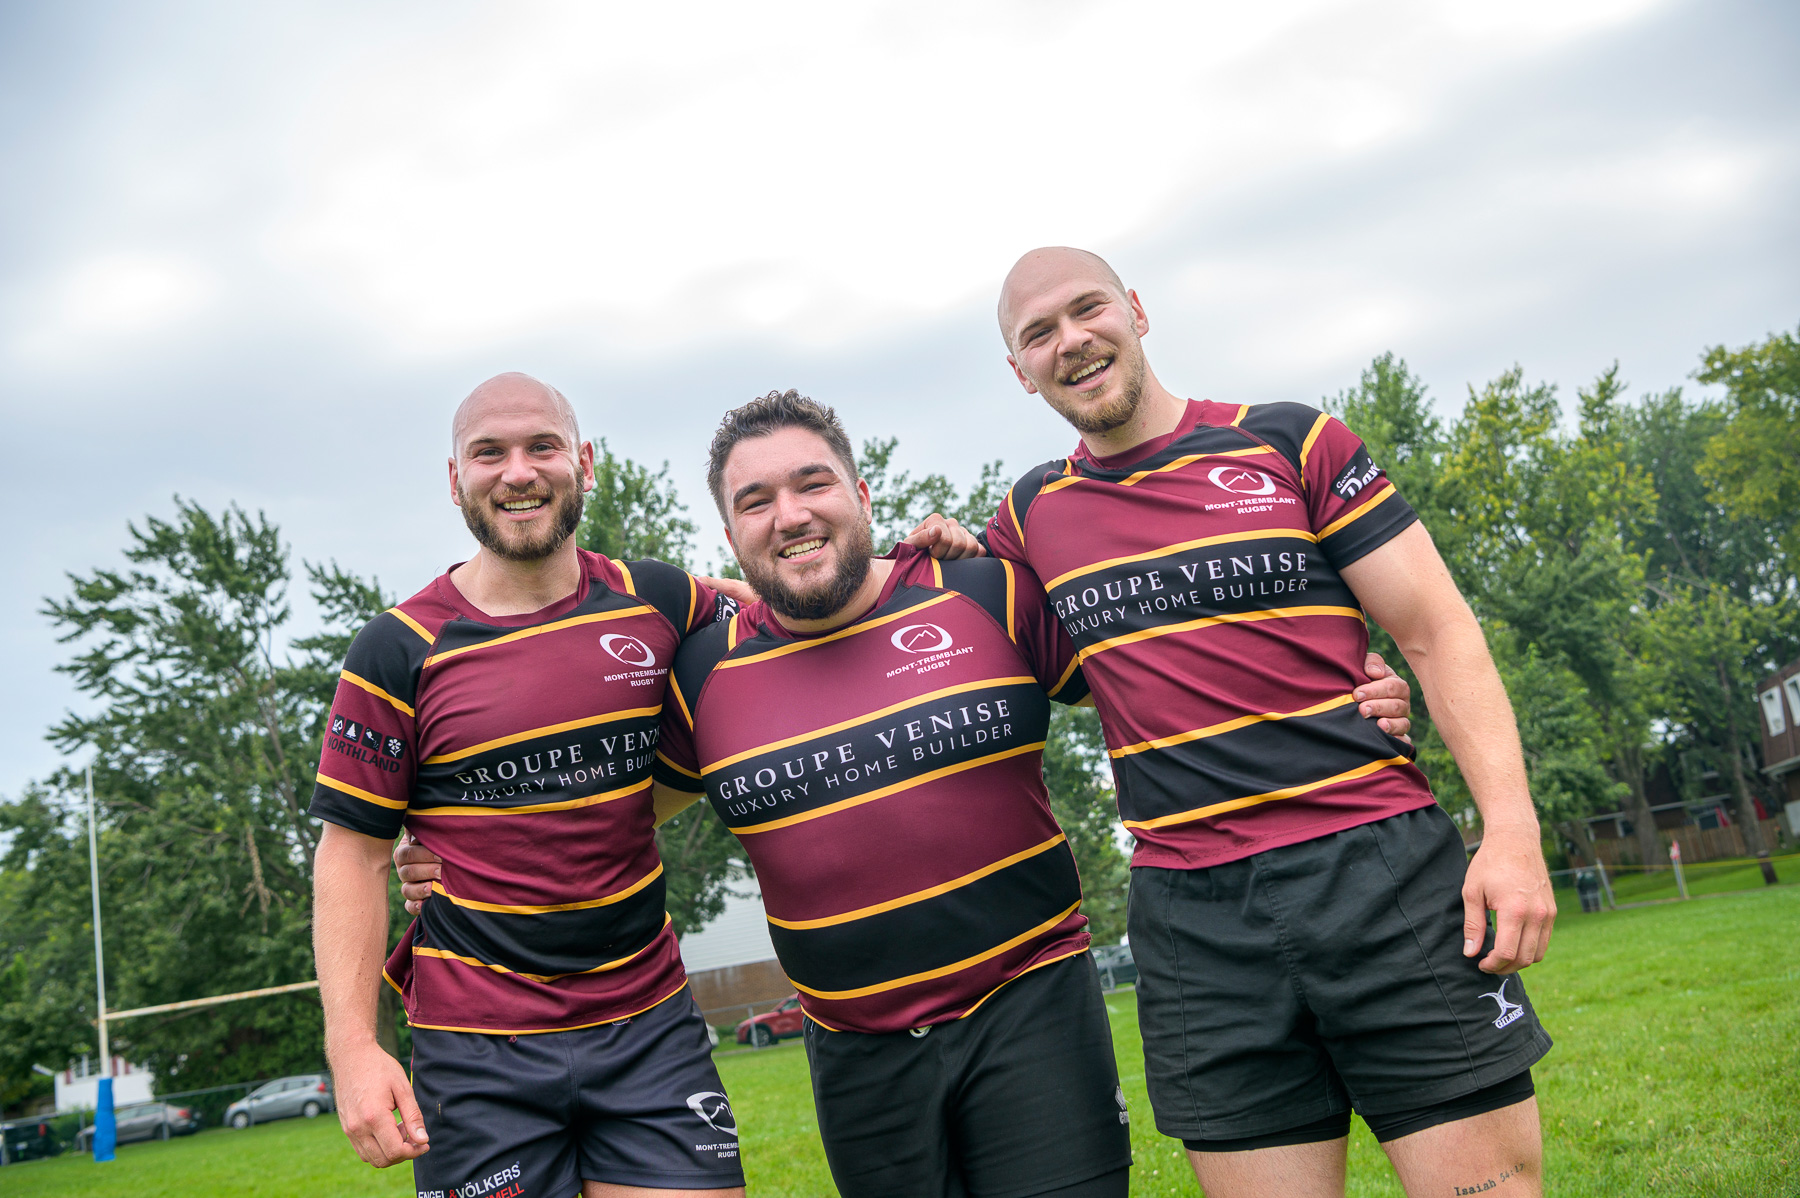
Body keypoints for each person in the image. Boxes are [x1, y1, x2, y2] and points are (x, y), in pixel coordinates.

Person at [396, 390, 1417, 1198]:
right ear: (731, 534)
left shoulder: (981, 592)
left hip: (1033, 1012)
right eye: (756, 501)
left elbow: (1157, 669)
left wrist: (1349, 687)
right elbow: (613, 804)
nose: (790, 514)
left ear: (862, 491)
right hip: (857, 1054)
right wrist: (452, 851)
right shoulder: (701, 670)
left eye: (812, 483)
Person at [913, 247, 1558, 1198]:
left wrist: (1511, 830)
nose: (1071, 342)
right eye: (1037, 334)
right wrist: (935, 547)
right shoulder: (1028, 517)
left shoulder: (1293, 441)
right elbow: (896, 615)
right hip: (1193, 922)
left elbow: (1434, 631)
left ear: (1135, 308)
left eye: (1086, 310)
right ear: (1019, 371)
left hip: (1381, 873)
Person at [310, 373, 748, 1198]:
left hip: (648, 1024)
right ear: (454, 480)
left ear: (584, 462)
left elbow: (787, 614)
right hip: (474, 1051)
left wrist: (922, 568)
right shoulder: (398, 647)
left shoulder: (655, 598)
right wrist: (354, 1047)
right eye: (489, 453)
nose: (518, 471)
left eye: (542, 446)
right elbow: (353, 856)